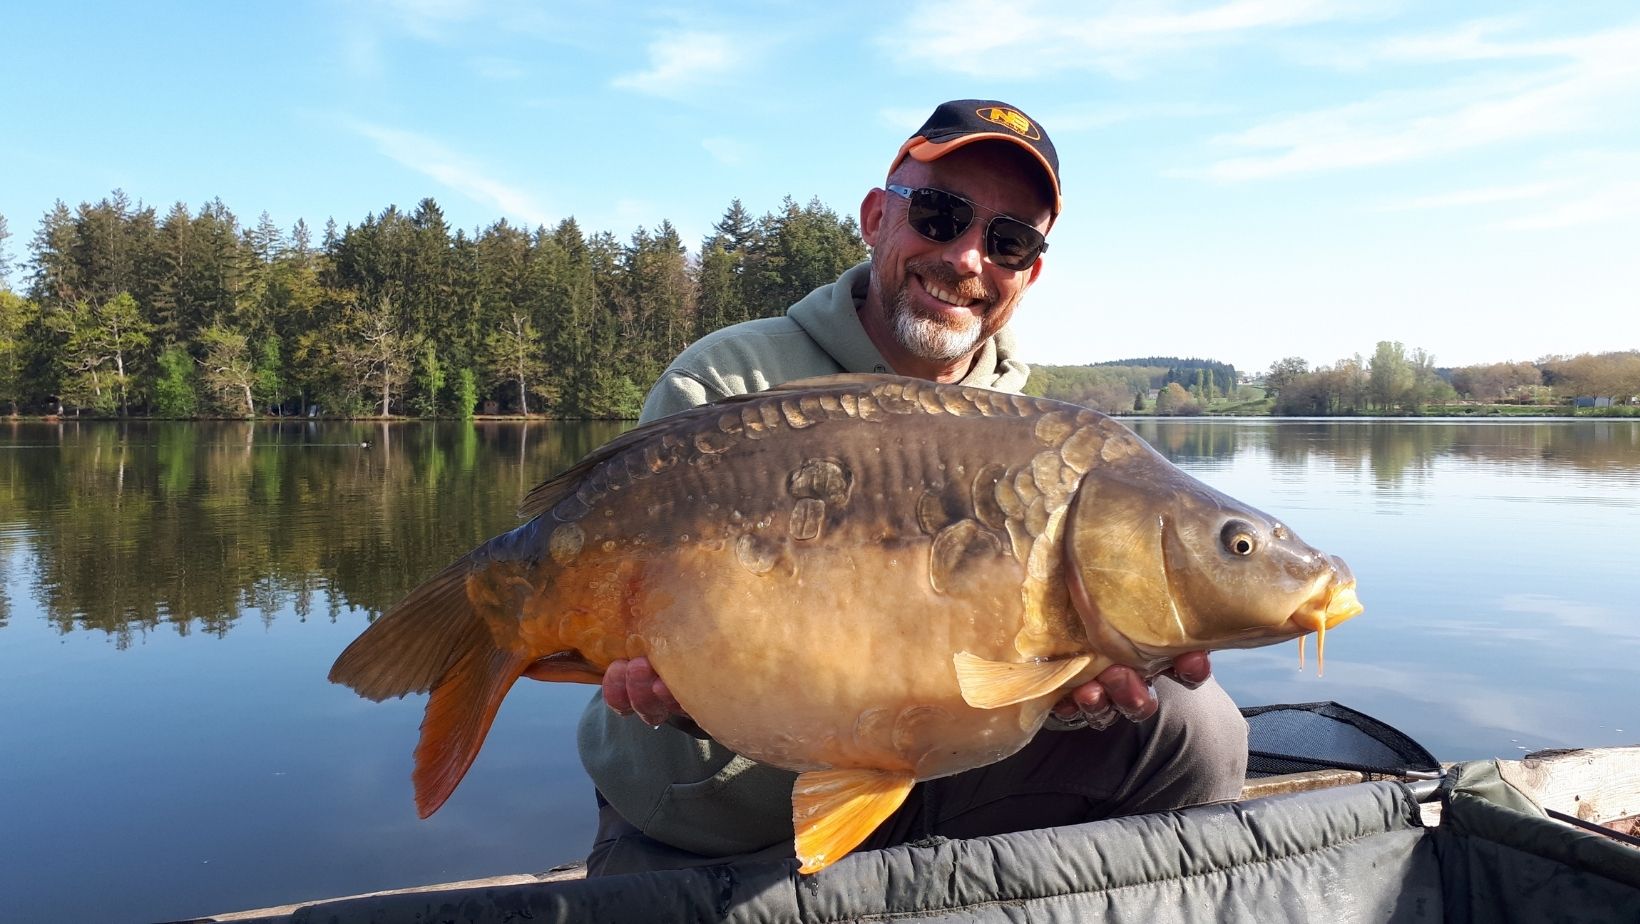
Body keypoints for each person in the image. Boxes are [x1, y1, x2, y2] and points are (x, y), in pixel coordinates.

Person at [577, 99, 1248, 876]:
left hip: (957, 765)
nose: (967, 259)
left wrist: (1067, 695)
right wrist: (686, 689)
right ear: (875, 219)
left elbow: (1015, 669)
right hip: (734, 798)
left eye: (1008, 240)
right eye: (939, 215)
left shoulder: (1050, 446)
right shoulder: (728, 381)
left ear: (1029, 273)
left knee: (1199, 725)